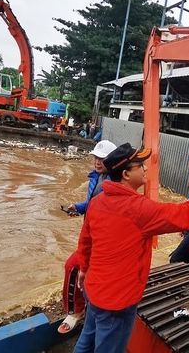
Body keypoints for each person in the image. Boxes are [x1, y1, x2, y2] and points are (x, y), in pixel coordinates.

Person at [73, 143, 189, 353]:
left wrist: (84, 269)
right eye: (140, 165)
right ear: (125, 174)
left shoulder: (97, 202)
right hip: (117, 301)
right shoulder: (139, 209)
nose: (146, 169)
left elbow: (85, 243)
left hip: (94, 289)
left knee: (87, 340)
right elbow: (187, 214)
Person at [58, 140, 117, 334]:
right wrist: (79, 207)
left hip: (100, 237)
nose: (97, 162)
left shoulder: (114, 183)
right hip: (89, 232)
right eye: (96, 157)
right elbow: (92, 203)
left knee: (73, 266)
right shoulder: (96, 177)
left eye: (102, 159)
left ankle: (76, 311)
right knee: (84, 270)